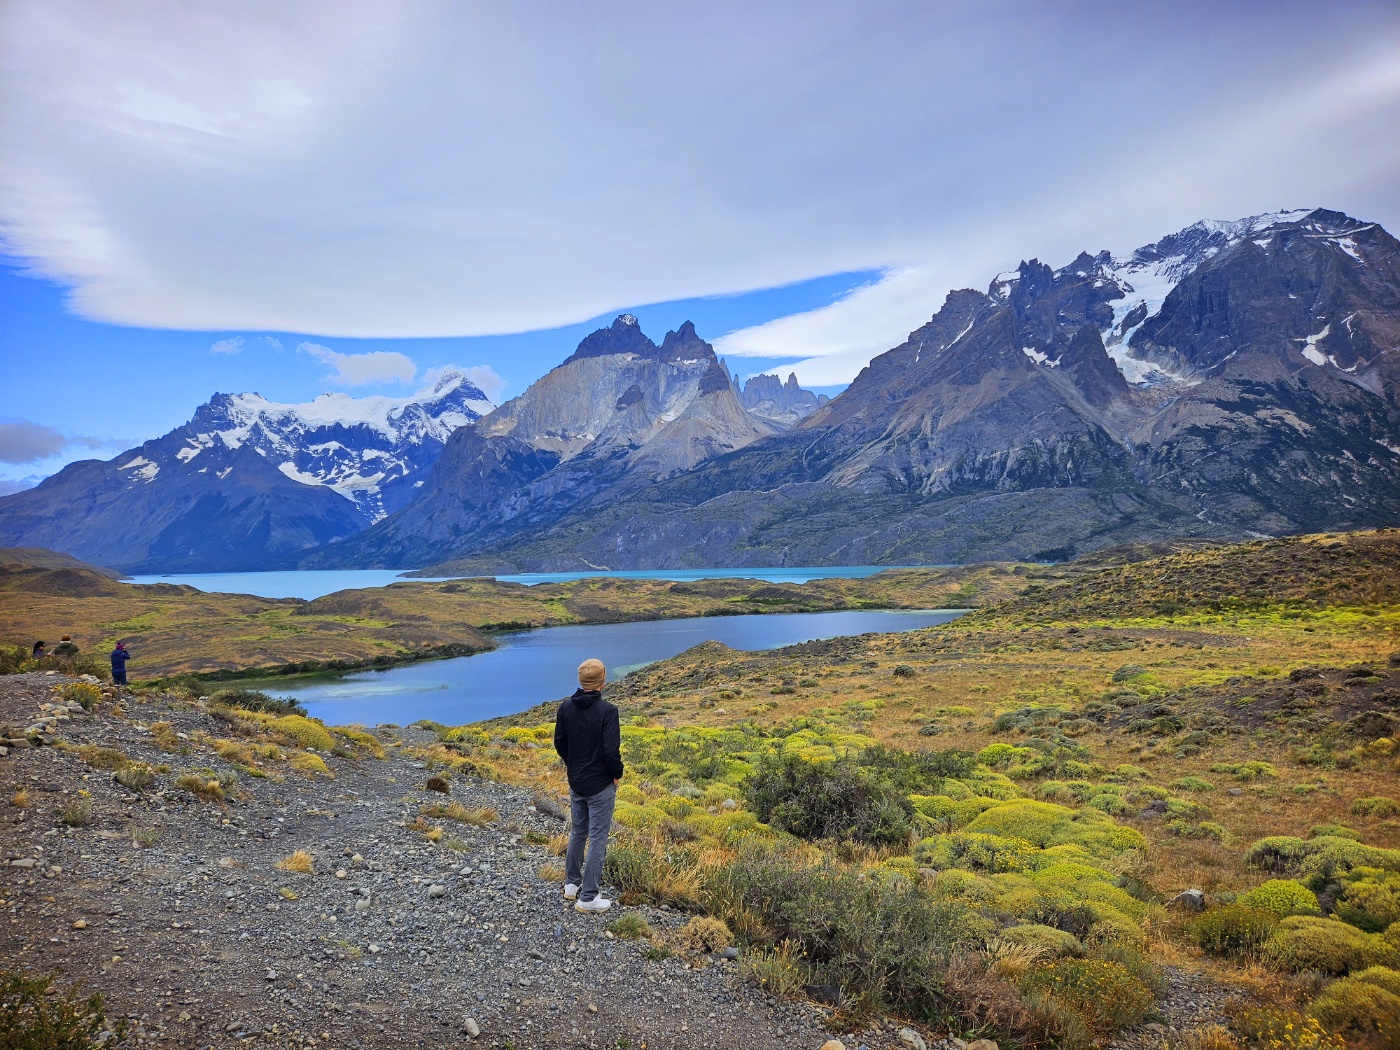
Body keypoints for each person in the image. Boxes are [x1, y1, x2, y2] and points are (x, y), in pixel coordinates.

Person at [553, 657, 623, 913]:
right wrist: (616, 774)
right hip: (600, 785)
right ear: (602, 681)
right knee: (598, 839)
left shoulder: (566, 707)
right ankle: (589, 898)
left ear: (582, 680)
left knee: (578, 832)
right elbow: (610, 751)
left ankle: (571, 885)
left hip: (577, 780)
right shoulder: (608, 711)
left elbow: (560, 742)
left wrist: (573, 764)